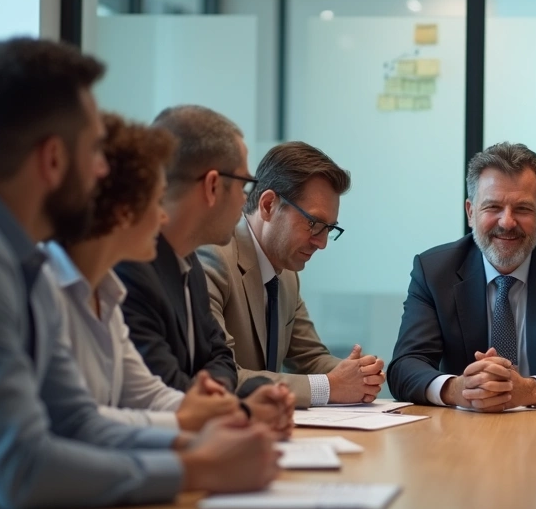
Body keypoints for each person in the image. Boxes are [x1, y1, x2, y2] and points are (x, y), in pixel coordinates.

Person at [0, 38, 278, 509]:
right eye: (96, 151)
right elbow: (21, 466)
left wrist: (197, 444)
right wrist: (196, 466)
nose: (105, 174)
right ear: (53, 158)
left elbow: (75, 421)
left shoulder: (17, 254)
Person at [45, 112, 293, 436]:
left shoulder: (109, 288)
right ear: (123, 209)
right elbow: (79, 425)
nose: (163, 214)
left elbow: (151, 394)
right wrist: (208, 438)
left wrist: (236, 411)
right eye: (156, 197)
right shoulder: (55, 287)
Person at [388, 142, 536, 410]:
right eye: (493, 207)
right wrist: (457, 389)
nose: (507, 222)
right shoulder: (434, 270)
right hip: (462, 431)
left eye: (522, 209)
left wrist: (531, 390)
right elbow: (405, 366)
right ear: (470, 212)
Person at [116, 105, 291, 412]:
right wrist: (233, 408)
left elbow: (221, 355)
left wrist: (217, 395)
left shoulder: (190, 261)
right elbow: (164, 389)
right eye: (243, 185)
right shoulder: (130, 269)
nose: (243, 199)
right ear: (212, 186)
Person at [199, 142, 385, 407]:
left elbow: (309, 357)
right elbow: (221, 377)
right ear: (268, 205)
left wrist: (359, 374)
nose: (322, 243)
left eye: (329, 229)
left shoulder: (285, 273)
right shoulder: (214, 257)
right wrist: (332, 386)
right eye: (314, 224)